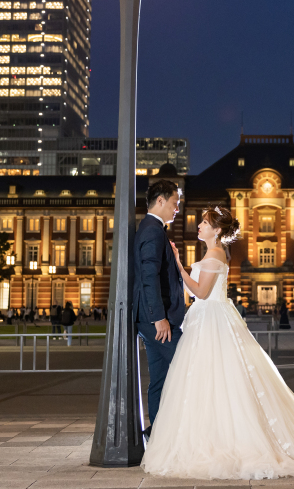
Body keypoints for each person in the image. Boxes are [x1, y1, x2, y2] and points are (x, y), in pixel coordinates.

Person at [142, 204, 294, 479]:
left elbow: (201, 292)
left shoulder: (214, 253)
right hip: (211, 319)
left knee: (211, 380)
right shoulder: (215, 252)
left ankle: (218, 439)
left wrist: (177, 265)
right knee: (217, 380)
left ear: (217, 230)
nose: (199, 225)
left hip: (210, 319)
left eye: (204, 223)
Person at [133, 180, 186, 443]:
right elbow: (148, 276)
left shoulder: (152, 228)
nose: (177, 209)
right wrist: (158, 318)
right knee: (190, 366)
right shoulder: (154, 231)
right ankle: (166, 433)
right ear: (161, 201)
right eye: (175, 203)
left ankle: (157, 436)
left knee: (160, 379)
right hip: (157, 321)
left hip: (150, 320)